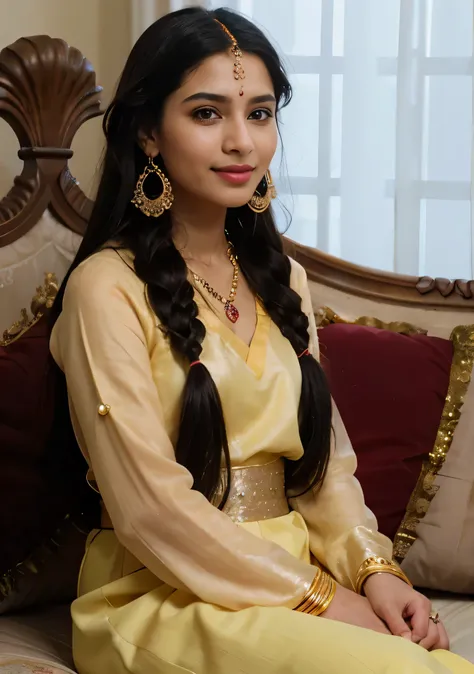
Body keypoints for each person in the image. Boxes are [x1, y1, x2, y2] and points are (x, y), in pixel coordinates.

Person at [49, 7, 473, 674]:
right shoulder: (106, 289)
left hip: (296, 571)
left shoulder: (284, 281)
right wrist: (321, 599)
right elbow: (151, 511)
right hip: (159, 592)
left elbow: (326, 471)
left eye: (261, 113)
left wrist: (375, 573)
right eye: (208, 113)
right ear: (148, 132)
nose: (242, 141)